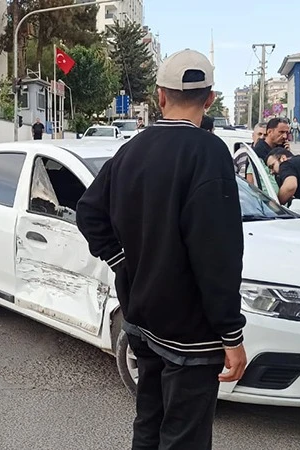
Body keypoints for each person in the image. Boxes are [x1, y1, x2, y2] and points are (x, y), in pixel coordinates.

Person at [76, 49, 247, 450]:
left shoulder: (131, 149)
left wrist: (124, 262)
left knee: (149, 425)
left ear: (160, 96)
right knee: (183, 438)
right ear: (210, 99)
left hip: (141, 318)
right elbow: (217, 254)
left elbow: (88, 212)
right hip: (191, 332)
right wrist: (231, 333)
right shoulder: (209, 153)